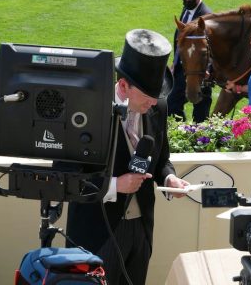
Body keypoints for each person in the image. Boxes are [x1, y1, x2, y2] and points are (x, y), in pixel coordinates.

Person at [66, 29, 189, 285]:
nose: (154, 103)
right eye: (148, 96)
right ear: (123, 86)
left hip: (140, 231)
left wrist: (170, 179)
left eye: (158, 96)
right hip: (96, 233)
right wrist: (114, 186)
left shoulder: (158, 107)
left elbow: (162, 158)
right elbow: (68, 179)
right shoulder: (86, 112)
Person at [168, 0, 213, 123]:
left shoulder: (205, 17)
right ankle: (184, 134)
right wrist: (175, 62)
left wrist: (208, 69)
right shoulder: (187, 10)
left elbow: (210, 46)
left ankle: (197, 139)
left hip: (199, 72)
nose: (187, 1)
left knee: (200, 110)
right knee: (173, 104)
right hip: (183, 68)